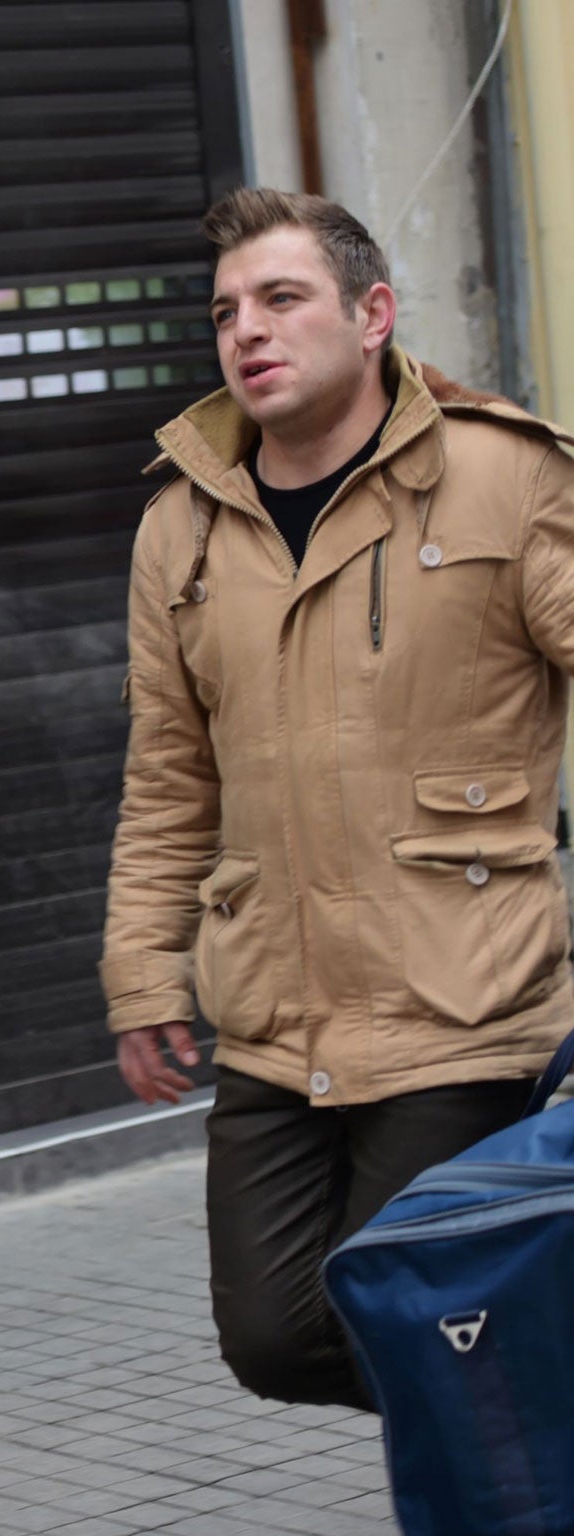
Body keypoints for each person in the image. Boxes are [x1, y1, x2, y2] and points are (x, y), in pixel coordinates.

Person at [103, 187, 574, 1408]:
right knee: (272, 1337)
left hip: (463, 999)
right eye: (224, 312)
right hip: (272, 1011)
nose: (245, 331)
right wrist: (143, 980)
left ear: (371, 316)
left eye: (279, 299)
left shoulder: (503, 479)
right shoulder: (179, 529)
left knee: (423, 1329)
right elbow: (166, 778)